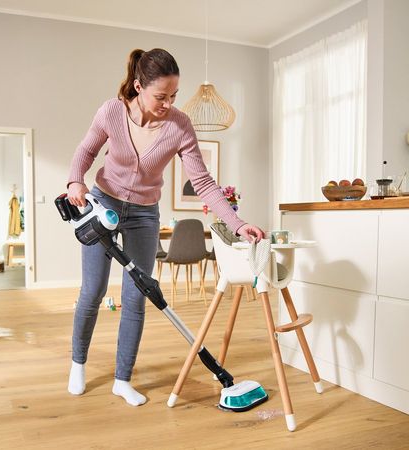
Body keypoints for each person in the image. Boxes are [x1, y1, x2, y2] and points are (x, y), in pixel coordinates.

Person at [66, 48, 264, 406]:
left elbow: (203, 183)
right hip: (104, 205)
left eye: (173, 96)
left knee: (136, 297)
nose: (168, 103)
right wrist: (74, 182)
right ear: (139, 86)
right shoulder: (112, 112)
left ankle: (122, 380)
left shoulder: (179, 125)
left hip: (144, 215)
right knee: (92, 291)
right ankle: (77, 364)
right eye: (161, 96)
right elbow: (85, 151)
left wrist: (238, 224)